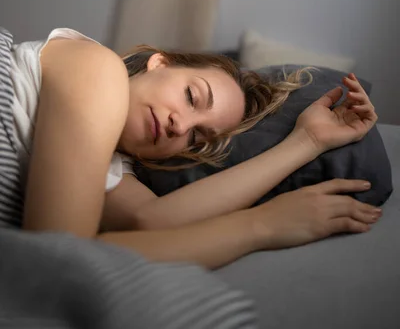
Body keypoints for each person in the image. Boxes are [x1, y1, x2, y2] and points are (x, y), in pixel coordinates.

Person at [0, 26, 381, 270]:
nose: (178, 124)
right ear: (159, 63)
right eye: (190, 95)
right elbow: (55, 261)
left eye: (195, 139)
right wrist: (258, 226)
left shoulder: (113, 166)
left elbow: (151, 224)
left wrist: (307, 142)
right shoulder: (99, 70)